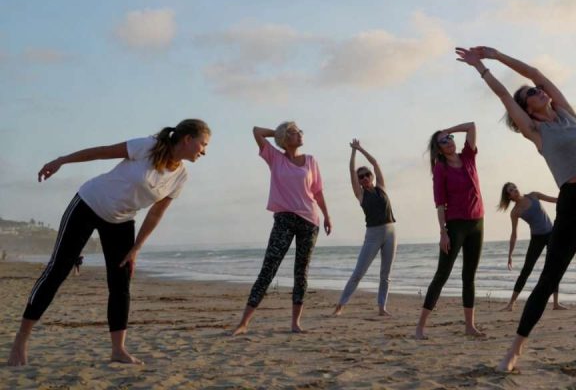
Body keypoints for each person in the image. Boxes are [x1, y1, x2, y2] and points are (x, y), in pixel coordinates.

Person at [455, 46, 576, 372]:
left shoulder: (568, 112)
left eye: (538, 90)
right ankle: (514, 351)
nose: (539, 91)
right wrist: (482, 67)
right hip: (574, 201)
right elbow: (504, 96)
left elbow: (538, 75)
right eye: (531, 94)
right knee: (548, 278)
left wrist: (498, 55)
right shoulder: (535, 130)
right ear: (527, 109)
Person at [6, 119, 211, 367]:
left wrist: (136, 248)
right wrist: (61, 160)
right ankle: (21, 339)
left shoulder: (181, 176)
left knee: (120, 282)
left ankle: (118, 349)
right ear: (188, 139)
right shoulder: (146, 146)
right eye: (203, 144)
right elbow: (100, 152)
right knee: (58, 270)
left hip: (122, 220)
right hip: (89, 203)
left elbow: (156, 214)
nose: (204, 151)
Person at [231, 122, 332, 336]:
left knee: (301, 273)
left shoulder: (311, 161)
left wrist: (327, 216)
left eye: (300, 131)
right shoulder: (275, 157)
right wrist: (278, 134)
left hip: (310, 221)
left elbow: (318, 191)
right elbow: (256, 131)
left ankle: (295, 323)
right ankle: (244, 323)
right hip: (284, 219)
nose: (300, 134)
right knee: (269, 269)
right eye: (295, 132)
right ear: (285, 138)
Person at [415, 123, 485, 339]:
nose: (449, 142)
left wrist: (446, 129)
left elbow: (472, 126)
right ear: (438, 149)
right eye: (444, 141)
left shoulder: (467, 156)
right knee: (442, 275)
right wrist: (443, 232)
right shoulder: (440, 168)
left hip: (477, 223)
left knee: (469, 276)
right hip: (455, 226)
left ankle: (469, 326)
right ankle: (420, 327)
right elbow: (440, 204)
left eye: (450, 138)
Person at [333, 139, 397, 317]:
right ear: (359, 182)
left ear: (372, 176)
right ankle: (340, 305)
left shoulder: (381, 188)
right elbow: (351, 171)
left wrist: (360, 148)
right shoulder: (360, 195)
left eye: (367, 174)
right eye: (361, 177)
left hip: (391, 231)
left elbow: (375, 163)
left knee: (386, 273)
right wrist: (353, 152)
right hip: (373, 234)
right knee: (358, 272)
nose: (365, 178)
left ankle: (382, 307)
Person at [497, 183, 565, 312]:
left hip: (551, 234)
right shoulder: (515, 212)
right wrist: (510, 254)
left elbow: (555, 200)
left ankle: (556, 303)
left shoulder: (534, 195)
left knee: (554, 267)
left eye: (514, 187)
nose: (514, 190)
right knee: (526, 270)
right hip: (537, 239)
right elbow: (514, 234)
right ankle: (511, 304)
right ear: (509, 197)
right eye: (510, 190)